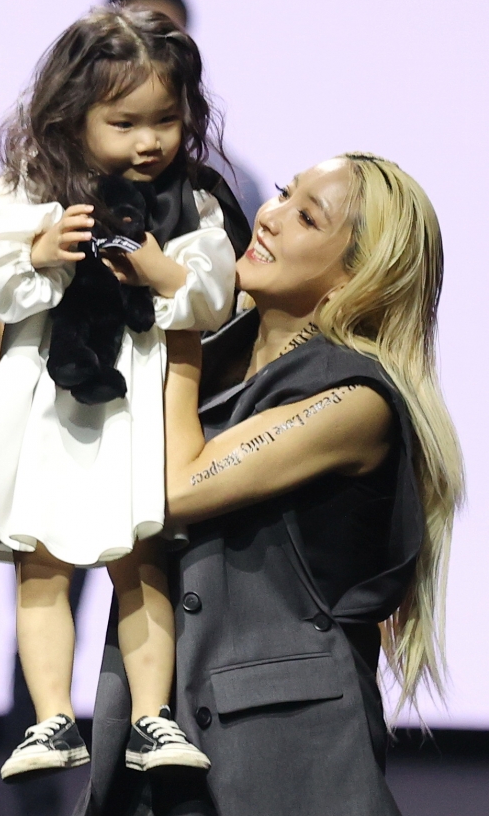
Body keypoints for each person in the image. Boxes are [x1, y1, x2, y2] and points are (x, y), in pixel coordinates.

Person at [74, 153, 463, 816]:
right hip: (155, 754)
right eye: (284, 192)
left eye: (306, 215)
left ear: (353, 279)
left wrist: (181, 313)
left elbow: (178, 486)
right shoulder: (214, 353)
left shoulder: (354, 400)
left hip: (292, 768)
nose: (269, 215)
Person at [0, 5, 251, 783]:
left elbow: (216, 289)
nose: (150, 141)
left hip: (138, 413)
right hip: (50, 407)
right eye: (126, 122)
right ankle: (50, 717)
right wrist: (39, 248)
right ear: (75, 118)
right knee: (40, 563)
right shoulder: (37, 185)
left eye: (166, 120)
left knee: (140, 562)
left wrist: (160, 269)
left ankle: (152, 714)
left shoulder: (193, 198)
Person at [107, 0, 265, 225]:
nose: (146, 51)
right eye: (130, 38)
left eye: (164, 39)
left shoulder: (232, 185)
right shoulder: (45, 169)